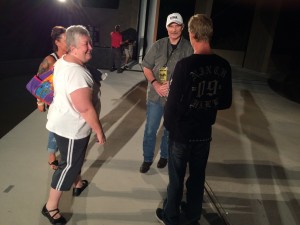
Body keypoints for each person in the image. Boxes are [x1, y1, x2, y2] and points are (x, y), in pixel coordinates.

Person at [155, 14, 232, 225]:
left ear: (191, 33)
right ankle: (192, 215)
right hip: (204, 134)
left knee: (176, 180)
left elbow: (171, 105)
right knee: (197, 179)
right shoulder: (224, 65)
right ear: (209, 33)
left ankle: (171, 217)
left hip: (181, 134)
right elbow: (225, 102)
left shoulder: (185, 65)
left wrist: (170, 128)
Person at [41, 25, 106, 225]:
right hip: (72, 129)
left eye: (90, 43)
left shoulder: (63, 61)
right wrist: (99, 130)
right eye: (86, 44)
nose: (90, 48)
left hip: (64, 122)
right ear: (72, 47)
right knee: (68, 165)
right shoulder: (77, 73)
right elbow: (85, 109)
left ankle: (77, 182)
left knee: (74, 159)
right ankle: (50, 207)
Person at [140, 13, 193, 173]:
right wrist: (156, 84)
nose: (174, 29)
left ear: (182, 28)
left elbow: (191, 73)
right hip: (156, 95)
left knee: (169, 130)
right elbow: (146, 66)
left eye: (177, 25)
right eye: (171, 25)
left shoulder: (189, 48)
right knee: (150, 129)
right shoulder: (158, 45)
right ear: (167, 28)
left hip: (175, 98)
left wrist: (176, 86)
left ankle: (164, 155)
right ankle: (147, 159)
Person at [36, 26, 67, 170]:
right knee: (55, 126)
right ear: (57, 42)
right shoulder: (50, 59)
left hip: (70, 98)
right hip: (55, 100)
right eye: (66, 39)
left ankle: (66, 152)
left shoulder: (71, 56)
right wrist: (40, 102)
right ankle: (51, 154)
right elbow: (39, 81)